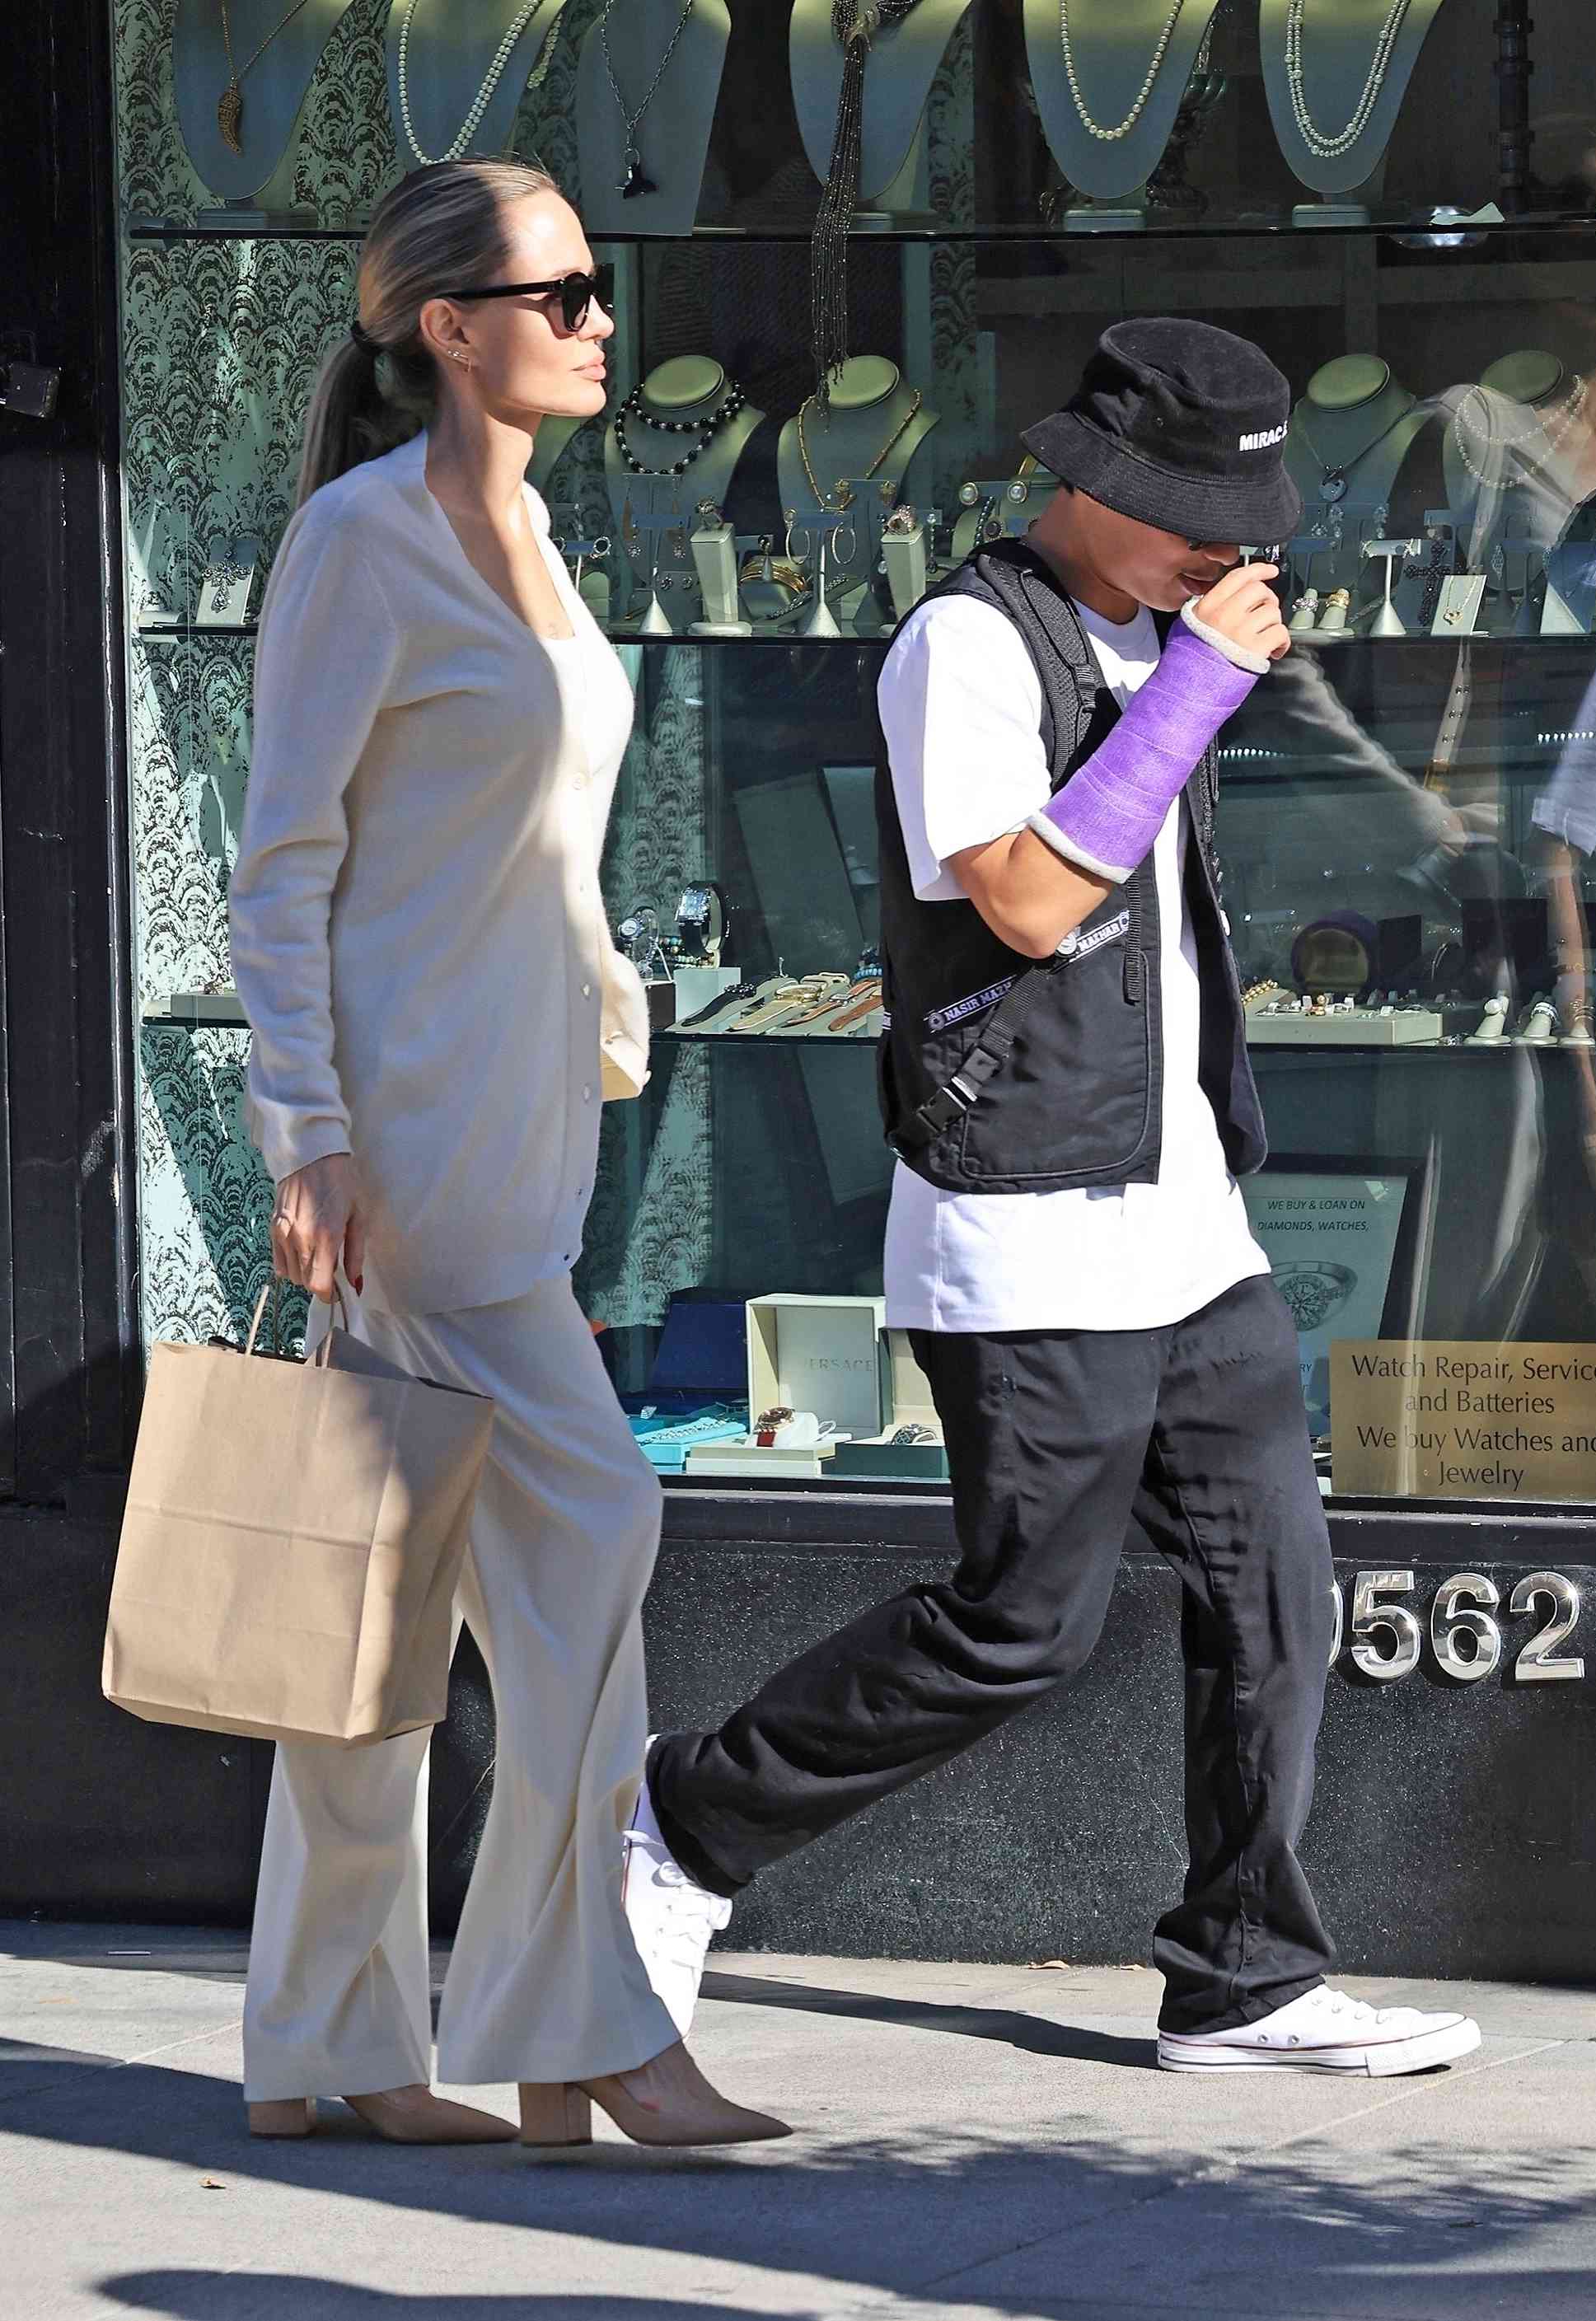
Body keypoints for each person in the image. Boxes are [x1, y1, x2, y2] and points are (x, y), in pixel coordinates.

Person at [626, 321, 1482, 2078]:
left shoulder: (1154, 627)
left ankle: (1242, 1972)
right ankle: (685, 1822)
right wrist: (1191, 692)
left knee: (1274, 1593)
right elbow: (1017, 899)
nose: (1223, 554)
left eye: (1237, 522)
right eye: (1189, 516)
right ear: (1085, 481)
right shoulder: (963, 640)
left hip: (1182, 1224)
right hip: (1021, 1220)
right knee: (1019, 1623)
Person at [229, 158, 787, 2150]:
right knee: (592, 1535)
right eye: (563, 293)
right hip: (408, 1157)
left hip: (523, 1127)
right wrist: (304, 1132)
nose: (599, 321)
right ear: (449, 323)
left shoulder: (539, 537)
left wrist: (605, 994)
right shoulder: (360, 546)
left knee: (383, 1617)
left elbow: (527, 837)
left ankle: (334, 2040)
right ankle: (581, 2026)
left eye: (597, 288)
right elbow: (279, 866)